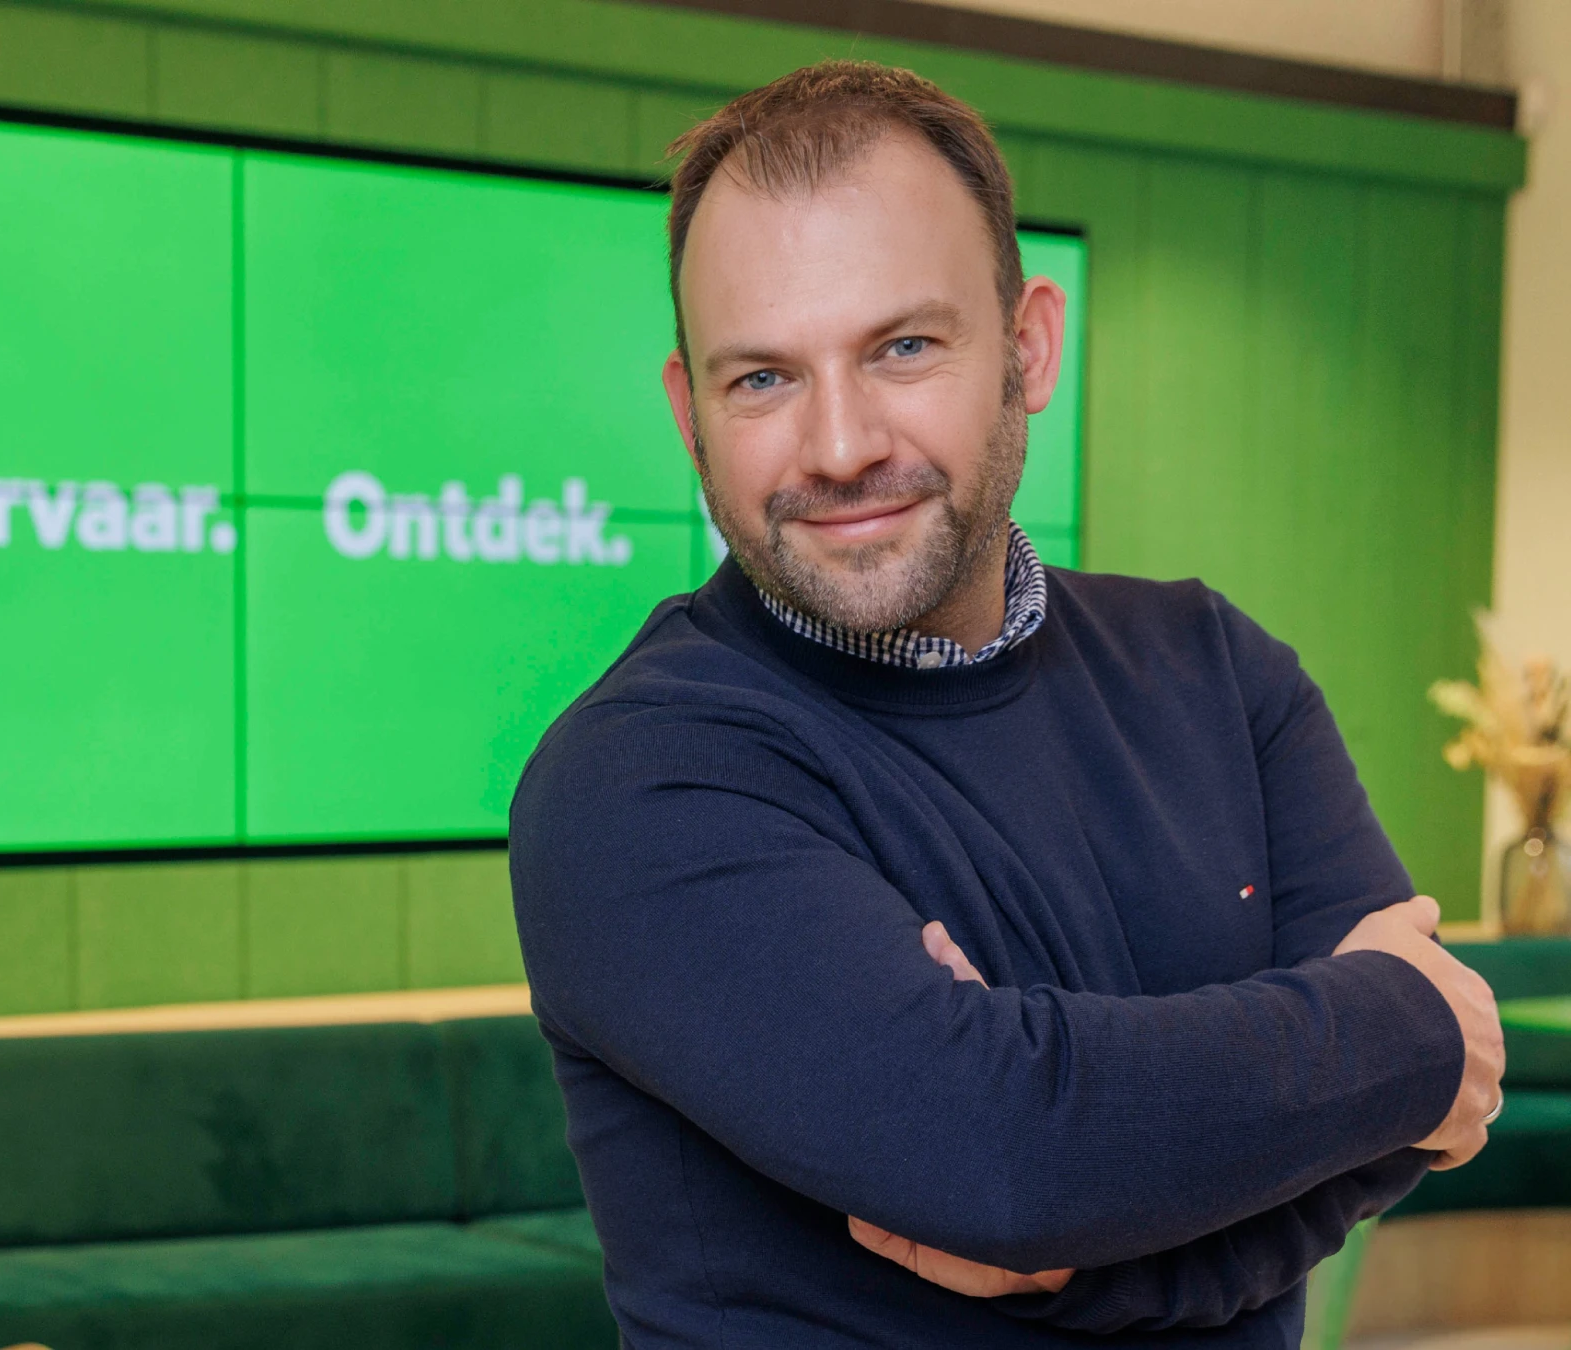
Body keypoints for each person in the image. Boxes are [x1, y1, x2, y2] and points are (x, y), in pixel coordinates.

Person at [507, 60, 1505, 1348]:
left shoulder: (1218, 668)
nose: (840, 446)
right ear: (688, 413)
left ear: (1027, 349)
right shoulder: (635, 779)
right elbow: (1011, 1156)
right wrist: (1400, 1030)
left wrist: (1090, 1262)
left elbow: (1383, 1136)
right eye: (762, 378)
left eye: (903, 348)